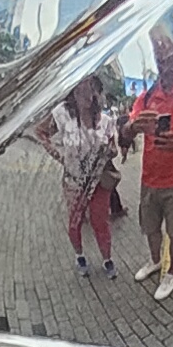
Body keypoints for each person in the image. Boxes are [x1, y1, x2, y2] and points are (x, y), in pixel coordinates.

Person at [123, 28, 173, 297]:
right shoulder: (147, 97)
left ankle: (171, 274)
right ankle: (155, 261)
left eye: (169, 59)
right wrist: (133, 126)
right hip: (150, 180)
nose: (165, 65)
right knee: (151, 229)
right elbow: (126, 130)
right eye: (160, 60)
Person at [45, 78, 123, 278]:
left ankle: (107, 259)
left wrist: (109, 151)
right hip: (74, 182)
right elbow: (41, 133)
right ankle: (79, 256)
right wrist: (59, 156)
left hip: (98, 181)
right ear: (74, 93)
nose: (87, 96)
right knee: (75, 221)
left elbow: (114, 149)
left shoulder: (105, 121)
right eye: (81, 90)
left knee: (100, 222)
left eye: (91, 91)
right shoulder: (63, 116)